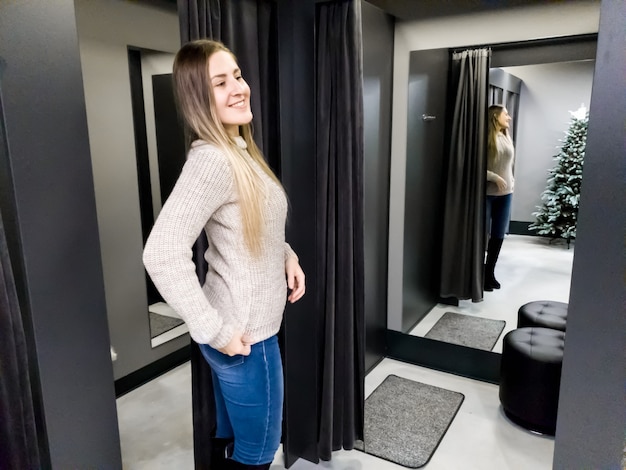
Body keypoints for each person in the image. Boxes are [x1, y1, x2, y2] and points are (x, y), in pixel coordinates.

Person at [143, 39, 305, 470]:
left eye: (236, 75)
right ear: (199, 98)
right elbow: (160, 253)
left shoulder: (239, 150)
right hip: (246, 336)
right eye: (220, 82)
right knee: (259, 452)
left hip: (239, 327)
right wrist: (213, 330)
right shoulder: (213, 159)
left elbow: (251, 228)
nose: (239, 87)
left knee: (237, 441)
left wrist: (287, 255)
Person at [484, 104, 515, 291]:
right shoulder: (487, 138)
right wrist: (494, 177)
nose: (509, 117)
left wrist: (511, 180)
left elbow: (508, 165)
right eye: (506, 114)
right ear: (495, 116)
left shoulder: (505, 136)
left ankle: (489, 272)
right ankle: (478, 274)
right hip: (487, 194)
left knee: (498, 235)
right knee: (481, 235)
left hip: (506, 194)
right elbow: (476, 165)